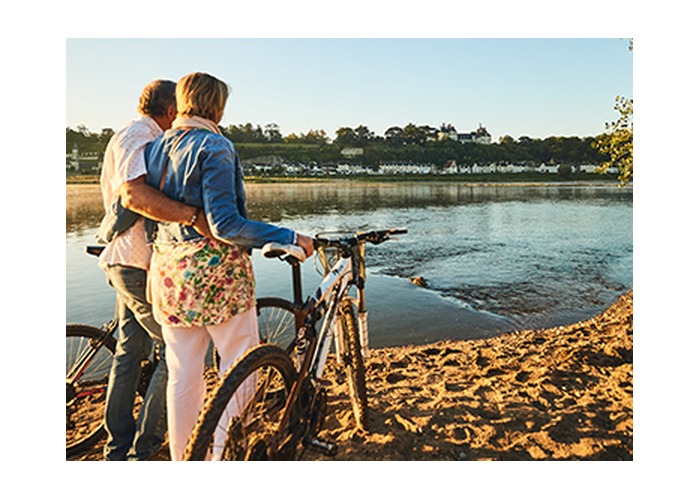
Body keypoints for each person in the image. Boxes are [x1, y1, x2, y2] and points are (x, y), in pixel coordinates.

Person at [143, 72, 314, 460]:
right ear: (217, 105)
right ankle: (222, 453)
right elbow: (226, 225)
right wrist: (289, 236)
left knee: (183, 372)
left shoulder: (155, 148)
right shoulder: (215, 147)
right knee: (240, 365)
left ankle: (187, 458)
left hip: (169, 270)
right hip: (214, 271)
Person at [98, 79, 212, 461]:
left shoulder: (125, 135)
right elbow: (132, 195)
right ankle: (143, 448)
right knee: (175, 350)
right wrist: (191, 215)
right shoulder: (142, 138)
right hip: (137, 263)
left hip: (125, 259)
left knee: (130, 351)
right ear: (169, 112)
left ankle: (118, 445)